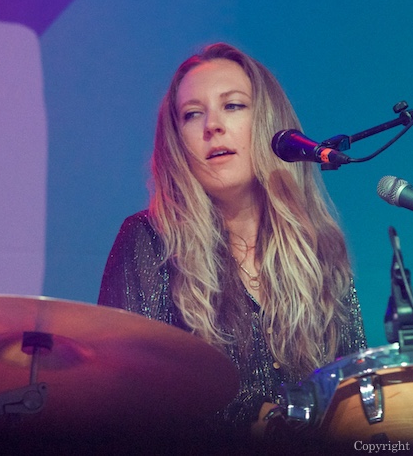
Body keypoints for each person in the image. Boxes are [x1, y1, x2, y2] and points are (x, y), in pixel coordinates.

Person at [98, 42, 366, 437]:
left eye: (233, 106)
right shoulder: (150, 240)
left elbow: (356, 397)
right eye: (192, 114)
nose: (212, 126)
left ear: (272, 124)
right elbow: (126, 401)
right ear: (177, 142)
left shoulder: (319, 248)